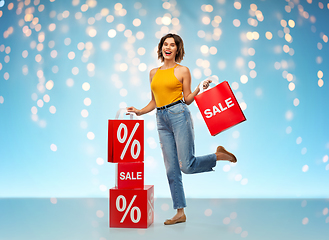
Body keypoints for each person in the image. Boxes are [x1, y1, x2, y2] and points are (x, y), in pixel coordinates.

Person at [127, 33, 237, 225]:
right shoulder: (153, 73)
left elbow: (187, 99)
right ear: (161, 48)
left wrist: (198, 89)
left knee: (186, 165)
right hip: (160, 119)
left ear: (178, 49)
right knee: (171, 170)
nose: (167, 47)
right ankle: (180, 212)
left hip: (179, 115)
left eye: (172, 45)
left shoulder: (183, 70)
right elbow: (154, 101)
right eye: (165, 44)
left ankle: (218, 155)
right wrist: (139, 111)